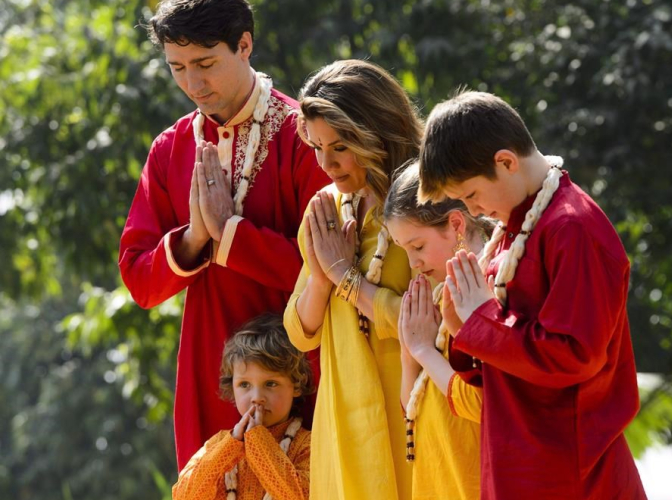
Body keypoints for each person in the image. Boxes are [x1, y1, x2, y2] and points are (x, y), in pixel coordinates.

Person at [119, 0, 328, 469]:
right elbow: (139, 280)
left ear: (245, 45)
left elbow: (331, 264)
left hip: (301, 368)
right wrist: (195, 238)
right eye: (178, 68)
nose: (193, 83)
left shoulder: (306, 136)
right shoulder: (170, 148)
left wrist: (231, 234)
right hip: (212, 365)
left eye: (205, 64)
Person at [417, 91, 647, 499]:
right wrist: (463, 330)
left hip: (568, 472)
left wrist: (482, 319)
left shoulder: (571, 227)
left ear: (505, 162)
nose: (472, 211)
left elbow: (574, 354)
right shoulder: (516, 225)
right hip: (516, 460)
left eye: (471, 194)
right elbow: (508, 366)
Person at [283, 59, 422, 500]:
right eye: (318, 147)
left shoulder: (426, 202)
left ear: (377, 132)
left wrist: (346, 277)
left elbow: (431, 323)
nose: (326, 164)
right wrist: (323, 278)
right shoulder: (327, 206)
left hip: (412, 415)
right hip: (344, 423)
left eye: (340, 146)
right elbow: (300, 333)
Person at [383, 162, 488, 499]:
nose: (413, 263)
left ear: (456, 224)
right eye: (404, 250)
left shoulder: (488, 288)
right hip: (437, 476)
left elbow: (481, 403)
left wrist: (424, 351)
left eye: (417, 246)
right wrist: (409, 352)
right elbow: (414, 406)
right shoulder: (441, 288)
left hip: (471, 479)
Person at [173, 314, 313, 500]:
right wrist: (230, 447)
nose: (257, 398)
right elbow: (183, 496)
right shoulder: (220, 444)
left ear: (296, 385)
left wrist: (258, 442)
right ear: (232, 386)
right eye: (245, 385)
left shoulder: (307, 445)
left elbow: (301, 495)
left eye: (270, 384)